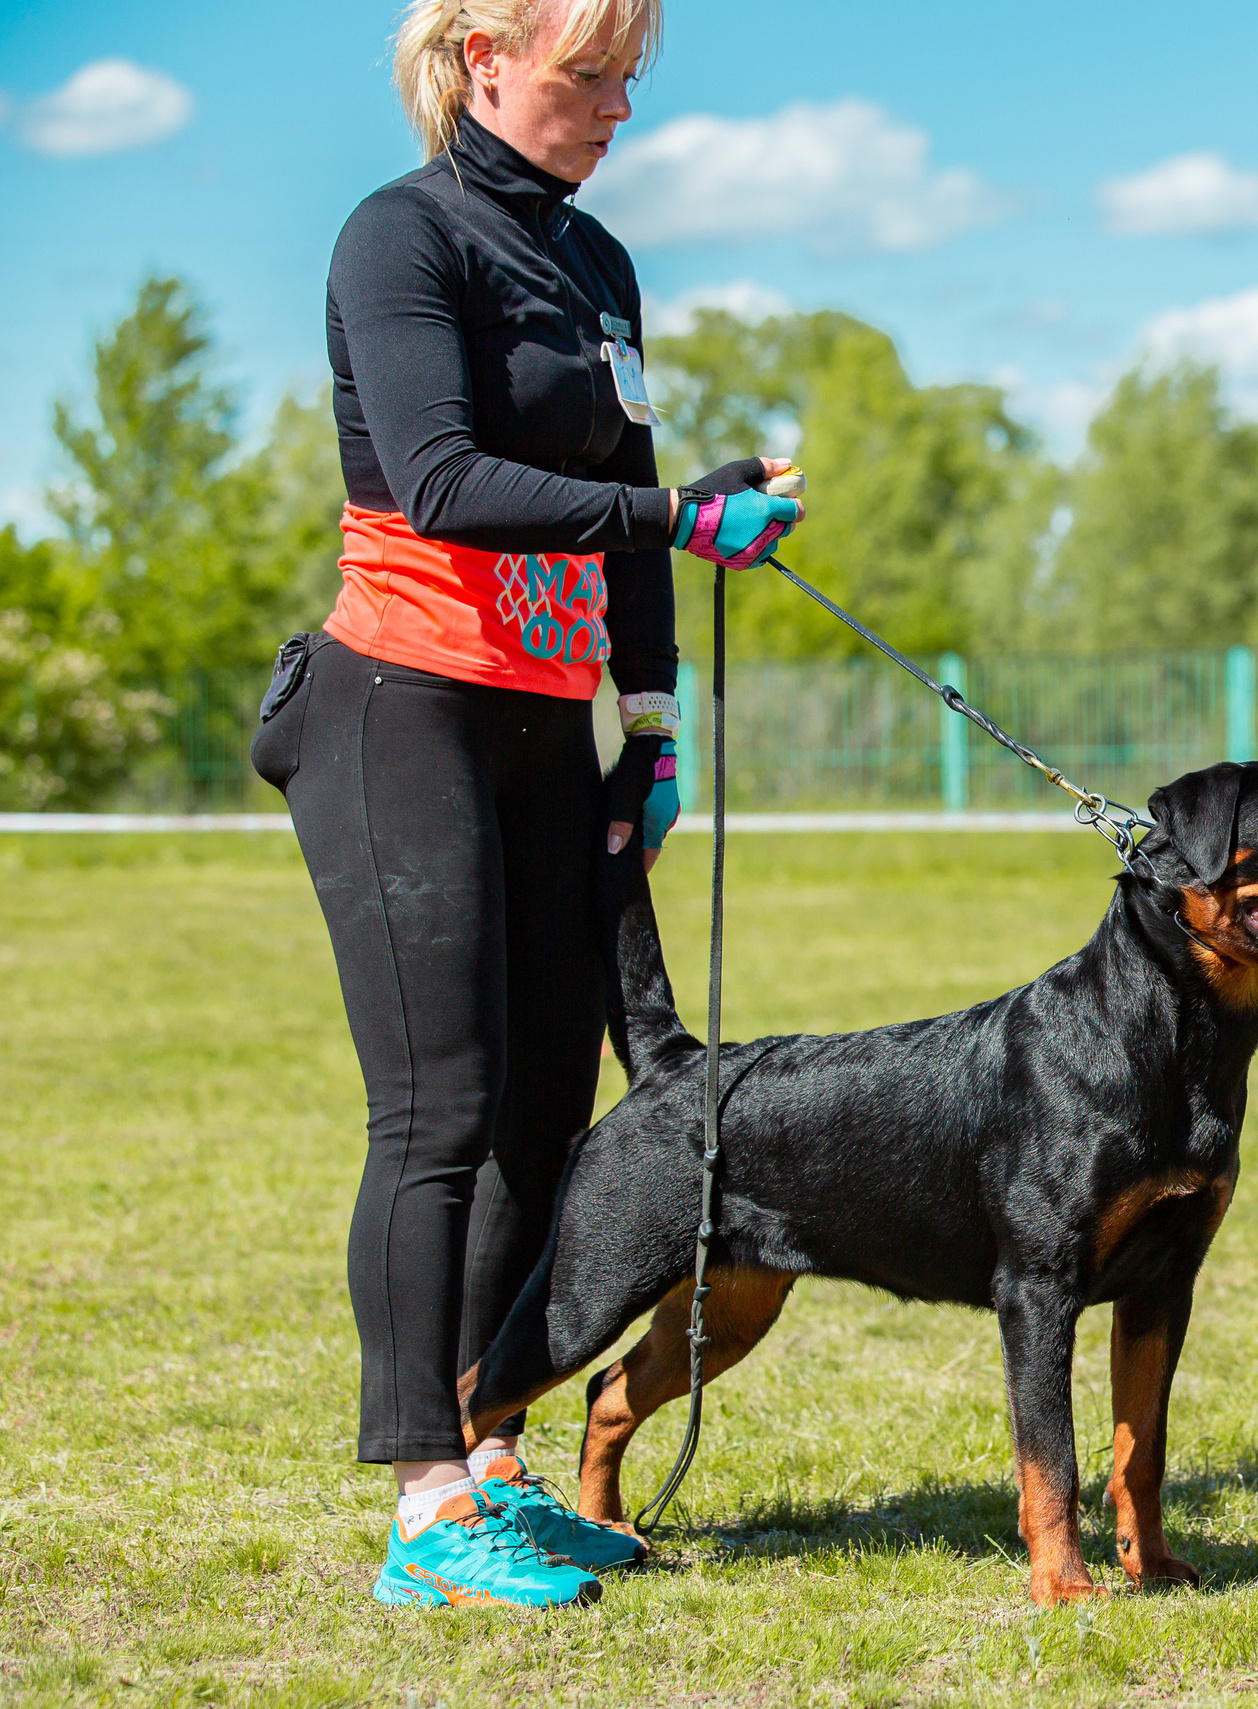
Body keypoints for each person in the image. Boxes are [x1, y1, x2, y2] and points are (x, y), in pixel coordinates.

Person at [248, 0, 805, 1609]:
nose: (617, 107)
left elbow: (627, 505)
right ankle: (425, 1503)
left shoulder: (602, 266)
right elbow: (441, 481)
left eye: (633, 79)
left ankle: (492, 1458)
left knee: (554, 1108)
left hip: (546, 727)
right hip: (398, 708)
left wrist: (652, 718)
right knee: (443, 1109)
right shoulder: (396, 236)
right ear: (485, 57)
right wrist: (685, 514)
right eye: (588, 76)